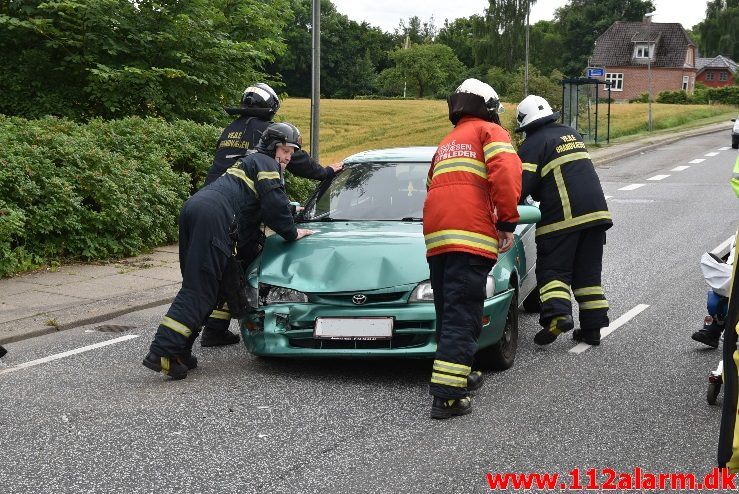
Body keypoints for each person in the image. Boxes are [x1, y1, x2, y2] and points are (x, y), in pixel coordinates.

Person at [142, 122, 314, 380]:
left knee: (205, 284)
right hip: (213, 216)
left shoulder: (250, 162)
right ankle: (163, 351)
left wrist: (289, 209)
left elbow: (253, 206)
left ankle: (180, 350)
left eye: (291, 152)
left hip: (196, 209)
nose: (288, 157)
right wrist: (292, 231)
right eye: (286, 150)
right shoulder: (266, 163)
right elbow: (274, 205)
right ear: (272, 146)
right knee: (200, 288)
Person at [200, 83, 342, 347]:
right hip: (241, 210)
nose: (287, 154)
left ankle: (214, 326)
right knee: (245, 264)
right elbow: (296, 162)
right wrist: (326, 172)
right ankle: (234, 324)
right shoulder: (267, 132)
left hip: (213, 205)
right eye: (286, 150)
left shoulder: (230, 130)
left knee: (227, 266)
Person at [424, 78, 522, 419]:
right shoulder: (490, 133)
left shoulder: (447, 141)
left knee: (448, 311)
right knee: (464, 316)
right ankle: (448, 396)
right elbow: (507, 176)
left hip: (438, 238)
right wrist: (507, 222)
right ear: (490, 107)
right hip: (471, 236)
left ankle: (460, 372)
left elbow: (430, 184)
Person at [515, 95, 613, 347]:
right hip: (597, 215)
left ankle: (558, 315)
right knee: (588, 275)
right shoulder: (572, 134)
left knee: (553, 270)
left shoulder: (533, 144)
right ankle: (592, 330)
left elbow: (520, 186)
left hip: (562, 218)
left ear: (526, 125)